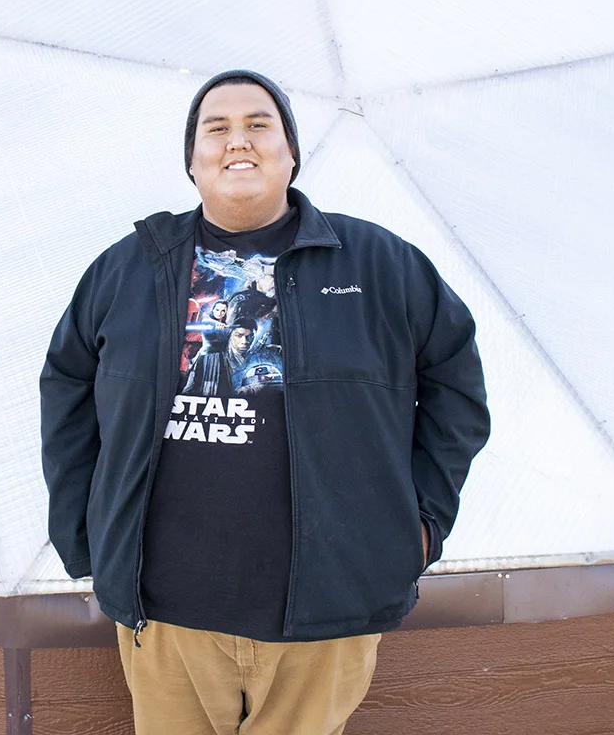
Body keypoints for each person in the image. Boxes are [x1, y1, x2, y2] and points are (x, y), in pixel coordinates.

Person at [40, 69, 490, 734]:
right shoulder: (129, 269)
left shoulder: (380, 265)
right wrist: (84, 534)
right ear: (192, 162)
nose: (236, 141)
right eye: (215, 129)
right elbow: (67, 387)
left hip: (325, 615)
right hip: (166, 618)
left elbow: (459, 390)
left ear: (291, 153)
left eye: (259, 124)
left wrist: (419, 524)